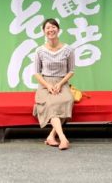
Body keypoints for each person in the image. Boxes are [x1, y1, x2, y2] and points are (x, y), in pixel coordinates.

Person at [33, 18, 75, 150]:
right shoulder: (39, 51)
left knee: (67, 100)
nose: (51, 30)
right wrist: (48, 85)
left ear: (58, 29)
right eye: (47, 28)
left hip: (62, 83)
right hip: (45, 84)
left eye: (53, 27)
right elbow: (36, 73)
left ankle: (51, 136)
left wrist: (61, 84)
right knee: (51, 104)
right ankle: (63, 138)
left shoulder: (68, 49)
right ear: (44, 31)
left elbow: (71, 71)